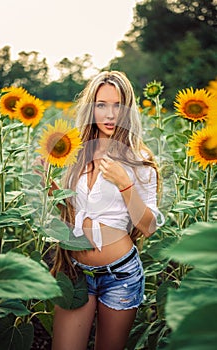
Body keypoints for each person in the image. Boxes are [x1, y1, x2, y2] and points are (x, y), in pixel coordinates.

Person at [51, 71, 164, 350]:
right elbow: (71, 212)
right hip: (76, 270)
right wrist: (50, 188)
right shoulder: (77, 152)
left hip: (120, 276)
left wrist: (125, 184)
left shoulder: (139, 159)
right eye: (102, 105)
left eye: (118, 105)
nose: (110, 114)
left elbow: (148, 226)